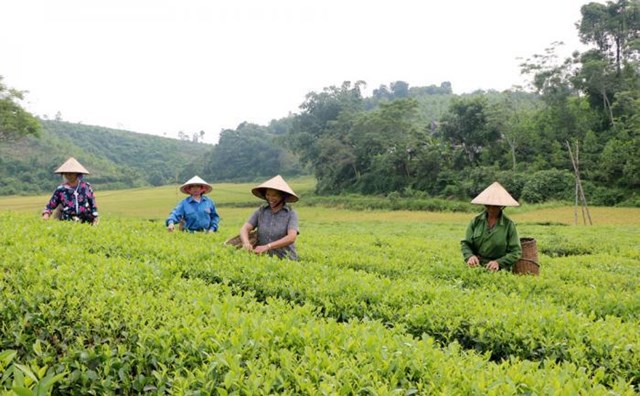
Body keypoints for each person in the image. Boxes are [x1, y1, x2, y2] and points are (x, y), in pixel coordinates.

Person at [461, 181, 522, 272]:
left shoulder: (509, 224)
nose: (492, 209)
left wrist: (498, 262)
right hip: (476, 267)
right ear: (485, 205)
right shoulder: (476, 221)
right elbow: (466, 244)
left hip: (499, 270)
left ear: (502, 206)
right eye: (489, 206)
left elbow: (516, 252)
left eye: (495, 206)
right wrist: (470, 256)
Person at [238, 175, 299, 260]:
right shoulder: (261, 211)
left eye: (275, 195)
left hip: (286, 258)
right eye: (268, 194)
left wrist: (268, 246)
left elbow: (291, 237)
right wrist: (246, 243)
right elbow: (244, 228)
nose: (270, 198)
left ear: (282, 196)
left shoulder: (291, 214)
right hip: (264, 257)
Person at [42, 157, 99, 225]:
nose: (69, 175)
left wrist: (95, 217)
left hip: (86, 221)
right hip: (67, 221)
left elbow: (92, 204)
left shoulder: (86, 186)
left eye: (71, 173)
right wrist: (46, 214)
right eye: (66, 173)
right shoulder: (61, 189)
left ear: (77, 174)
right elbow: (51, 205)